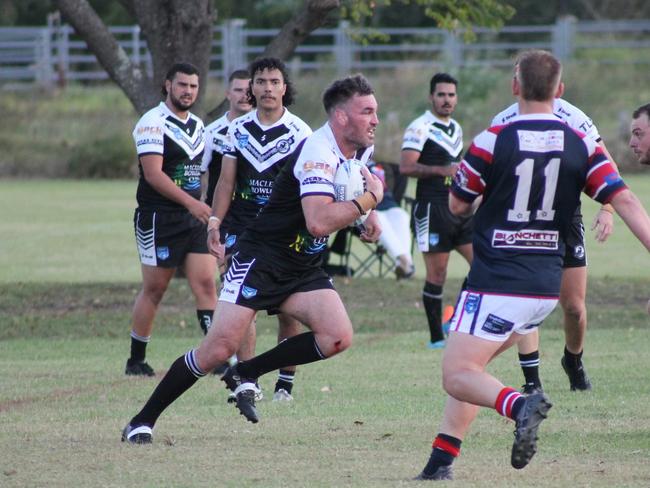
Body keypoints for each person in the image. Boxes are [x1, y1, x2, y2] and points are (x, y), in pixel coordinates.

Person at [415, 49, 650, 481]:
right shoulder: (581, 143)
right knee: (473, 369)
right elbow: (626, 199)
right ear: (559, 91)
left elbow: (456, 204)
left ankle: (521, 404)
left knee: (457, 374)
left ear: (515, 87)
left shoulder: (492, 138)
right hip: (545, 287)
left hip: (496, 280)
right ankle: (438, 465)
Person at [122, 74, 384, 443]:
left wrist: (365, 217)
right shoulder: (317, 153)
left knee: (337, 336)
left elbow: (352, 187)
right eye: (367, 112)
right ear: (341, 118)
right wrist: (370, 200)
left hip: (301, 266)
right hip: (261, 260)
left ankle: (246, 372)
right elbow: (319, 221)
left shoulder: (359, 149)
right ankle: (141, 421)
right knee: (216, 349)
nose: (376, 120)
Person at [492, 88, 619, 393]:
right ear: (515, 84)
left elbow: (606, 164)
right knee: (526, 300)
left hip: (565, 219)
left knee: (574, 306)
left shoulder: (574, 118)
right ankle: (532, 381)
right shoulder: (504, 120)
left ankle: (573, 360)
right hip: (522, 223)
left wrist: (608, 207)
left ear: (556, 86)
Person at [207, 58, 312, 402]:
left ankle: (285, 380)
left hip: (283, 230)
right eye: (261, 81)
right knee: (241, 304)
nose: (268, 88)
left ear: (285, 88)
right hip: (242, 228)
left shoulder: (301, 133)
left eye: (274, 81)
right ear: (251, 87)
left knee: (286, 308)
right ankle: (248, 380)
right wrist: (214, 222)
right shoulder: (235, 131)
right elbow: (225, 183)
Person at [125, 62, 217, 376]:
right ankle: (136, 359)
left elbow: (198, 171)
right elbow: (153, 174)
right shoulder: (152, 122)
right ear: (168, 85)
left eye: (193, 86)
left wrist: (200, 204)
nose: (188, 91)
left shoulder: (198, 125)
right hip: (157, 218)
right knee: (155, 288)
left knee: (206, 283)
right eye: (182, 85)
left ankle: (216, 355)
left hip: (191, 218)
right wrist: (193, 203)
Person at [400, 73, 471, 349]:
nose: (447, 100)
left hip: (459, 208)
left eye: (451, 95)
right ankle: (436, 339)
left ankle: (455, 322)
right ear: (431, 97)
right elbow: (406, 167)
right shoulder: (419, 128)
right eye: (441, 95)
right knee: (437, 275)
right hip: (432, 208)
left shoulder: (456, 128)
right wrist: (443, 170)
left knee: (484, 265)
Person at [200, 69, 252, 208]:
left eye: (248, 90)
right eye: (238, 90)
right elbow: (200, 172)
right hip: (220, 214)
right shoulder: (211, 132)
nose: (244, 95)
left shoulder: (265, 130)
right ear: (228, 94)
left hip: (253, 213)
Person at [368, 161, 414, 278]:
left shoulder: (379, 164)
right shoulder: (353, 163)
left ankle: (403, 264)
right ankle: (405, 260)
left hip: (388, 203)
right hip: (368, 207)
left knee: (402, 216)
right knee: (380, 221)